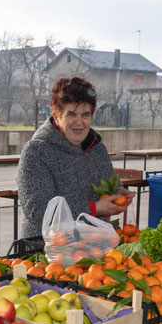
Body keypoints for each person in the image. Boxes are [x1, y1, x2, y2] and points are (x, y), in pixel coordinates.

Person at [16, 77, 131, 239]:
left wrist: (118, 192)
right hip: (46, 248)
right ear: (56, 117)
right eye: (71, 114)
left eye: (85, 115)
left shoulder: (97, 148)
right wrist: (94, 208)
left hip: (94, 244)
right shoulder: (36, 152)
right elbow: (38, 210)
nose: (79, 122)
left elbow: (109, 182)